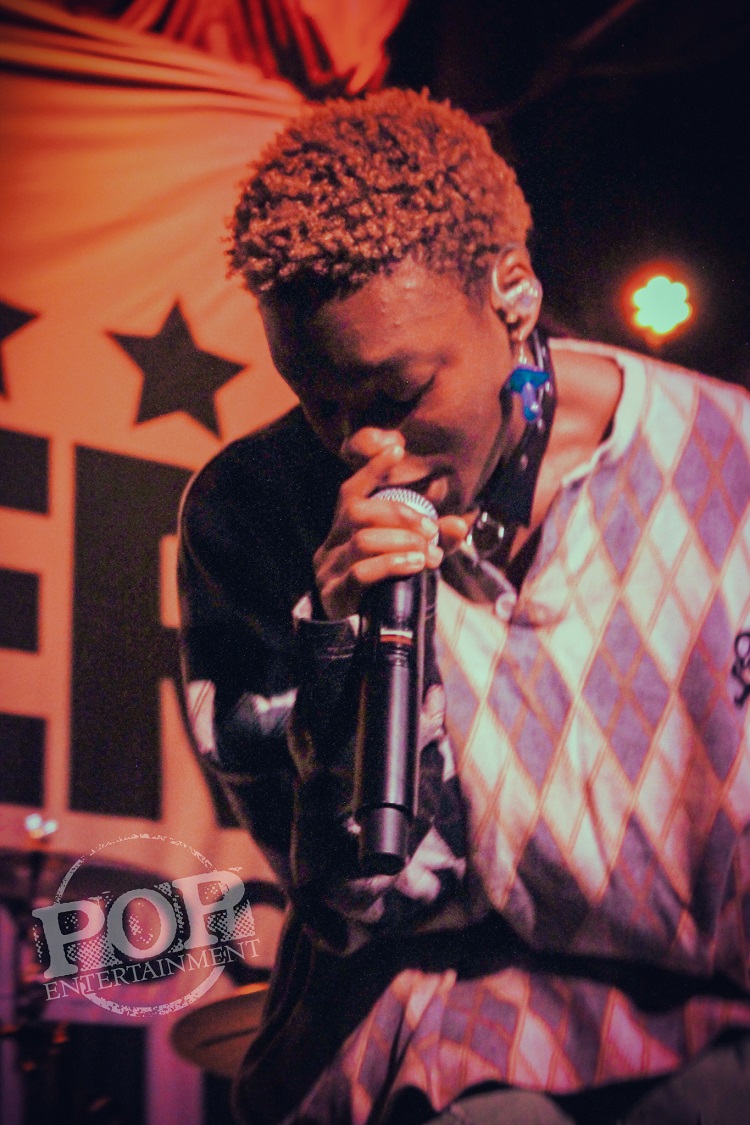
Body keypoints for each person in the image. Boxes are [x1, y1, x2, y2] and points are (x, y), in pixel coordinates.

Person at [177, 88, 750, 1124]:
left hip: (702, 1019)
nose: (359, 443)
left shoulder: (726, 457)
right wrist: (344, 656)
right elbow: (358, 903)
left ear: (514, 293)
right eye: (317, 401)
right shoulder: (250, 510)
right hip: (429, 1014)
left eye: (396, 395)